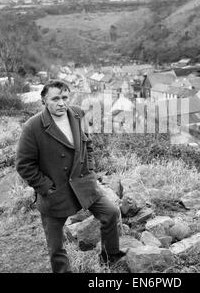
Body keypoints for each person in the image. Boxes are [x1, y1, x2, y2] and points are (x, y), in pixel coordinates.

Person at [15, 80, 124, 273]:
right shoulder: (32, 126)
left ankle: (109, 256)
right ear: (44, 100)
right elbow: (24, 165)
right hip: (56, 192)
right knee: (56, 246)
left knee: (111, 213)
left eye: (65, 97)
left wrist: (90, 169)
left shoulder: (77, 114)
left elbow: (87, 145)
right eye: (55, 98)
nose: (61, 103)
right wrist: (46, 187)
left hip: (84, 184)